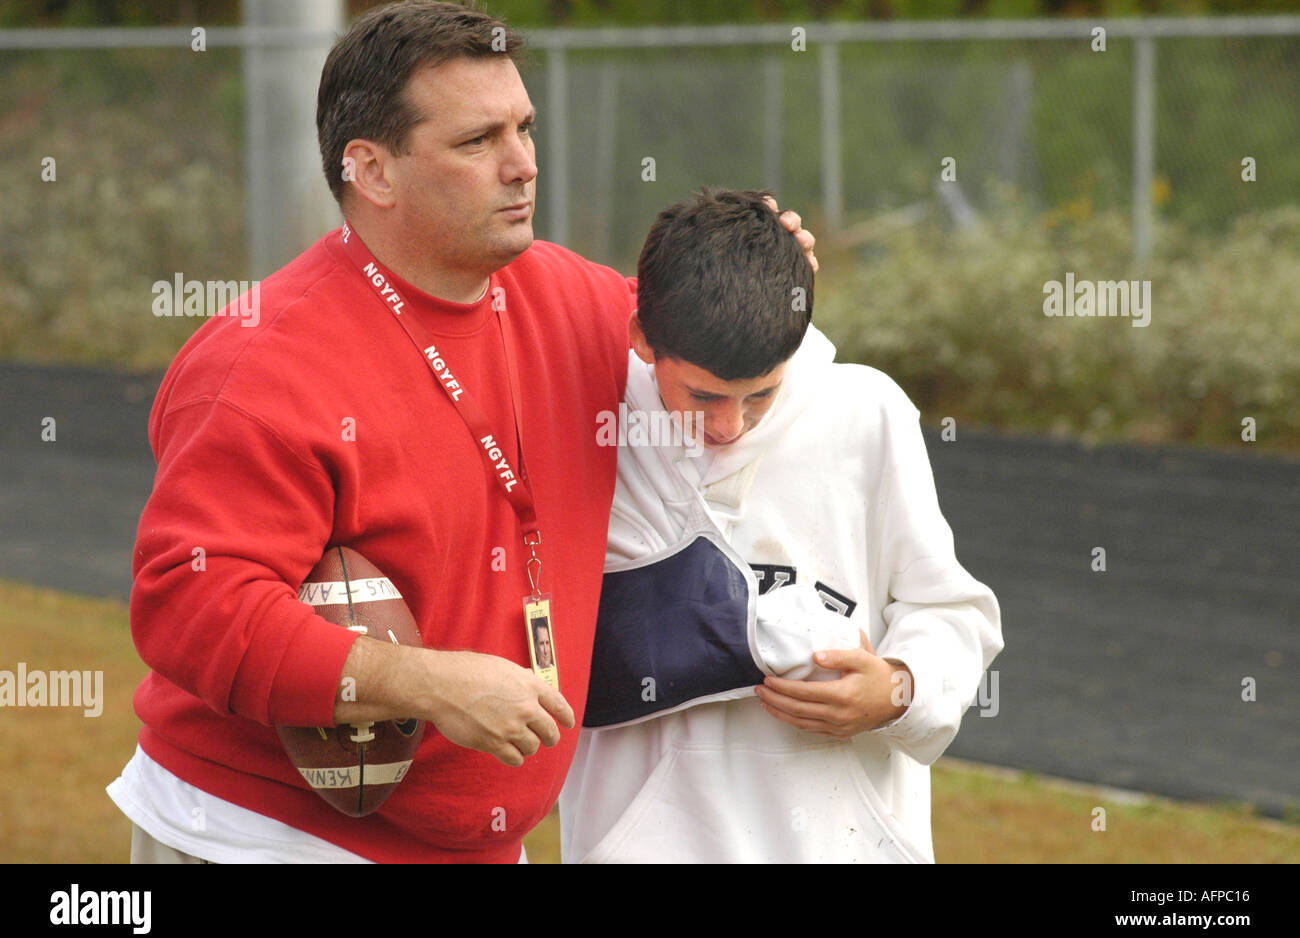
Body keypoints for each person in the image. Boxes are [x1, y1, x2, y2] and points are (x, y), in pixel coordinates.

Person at [107, 3, 815, 864]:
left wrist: (765, 274)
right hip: (259, 838)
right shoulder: (263, 364)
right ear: (371, 170)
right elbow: (192, 607)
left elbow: (706, 341)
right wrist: (425, 683)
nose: (524, 166)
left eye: (524, 127)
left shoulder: (571, 299)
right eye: (477, 141)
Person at [558, 189, 1003, 863]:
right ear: (642, 336)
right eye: (703, 395)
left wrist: (900, 687)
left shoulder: (867, 413)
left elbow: (952, 609)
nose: (729, 425)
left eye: (760, 393)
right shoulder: (583, 409)